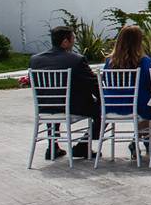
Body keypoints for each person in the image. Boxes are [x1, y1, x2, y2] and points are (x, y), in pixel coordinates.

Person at [29, 26, 101, 160]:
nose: (74, 41)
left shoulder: (35, 60)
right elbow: (93, 84)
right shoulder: (76, 60)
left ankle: (52, 146)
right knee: (104, 107)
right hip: (72, 107)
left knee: (54, 99)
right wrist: (101, 97)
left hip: (44, 107)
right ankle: (83, 145)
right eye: (73, 38)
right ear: (65, 42)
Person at [103, 25, 151, 158]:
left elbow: (105, 80)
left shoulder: (109, 62)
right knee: (150, 104)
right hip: (136, 105)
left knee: (146, 101)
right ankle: (141, 139)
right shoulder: (144, 61)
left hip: (112, 105)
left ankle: (143, 140)